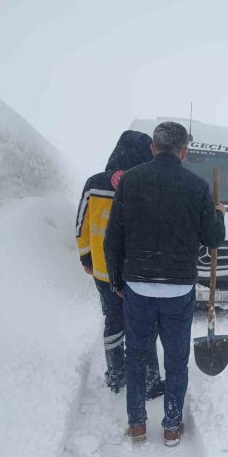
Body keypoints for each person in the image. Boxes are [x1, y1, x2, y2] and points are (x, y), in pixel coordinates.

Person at [104, 121, 226, 446]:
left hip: (138, 288)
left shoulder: (131, 181)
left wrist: (117, 280)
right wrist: (218, 215)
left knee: (135, 356)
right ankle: (172, 426)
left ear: (152, 148)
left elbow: (112, 238)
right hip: (178, 290)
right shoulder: (198, 187)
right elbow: (213, 238)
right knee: (176, 360)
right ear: (184, 151)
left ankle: (137, 425)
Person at [75, 130, 164, 397]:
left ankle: (116, 374)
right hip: (137, 272)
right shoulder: (148, 183)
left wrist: (86, 256)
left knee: (113, 319)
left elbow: (82, 223)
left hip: (103, 271)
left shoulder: (94, 183)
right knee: (144, 323)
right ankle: (149, 380)